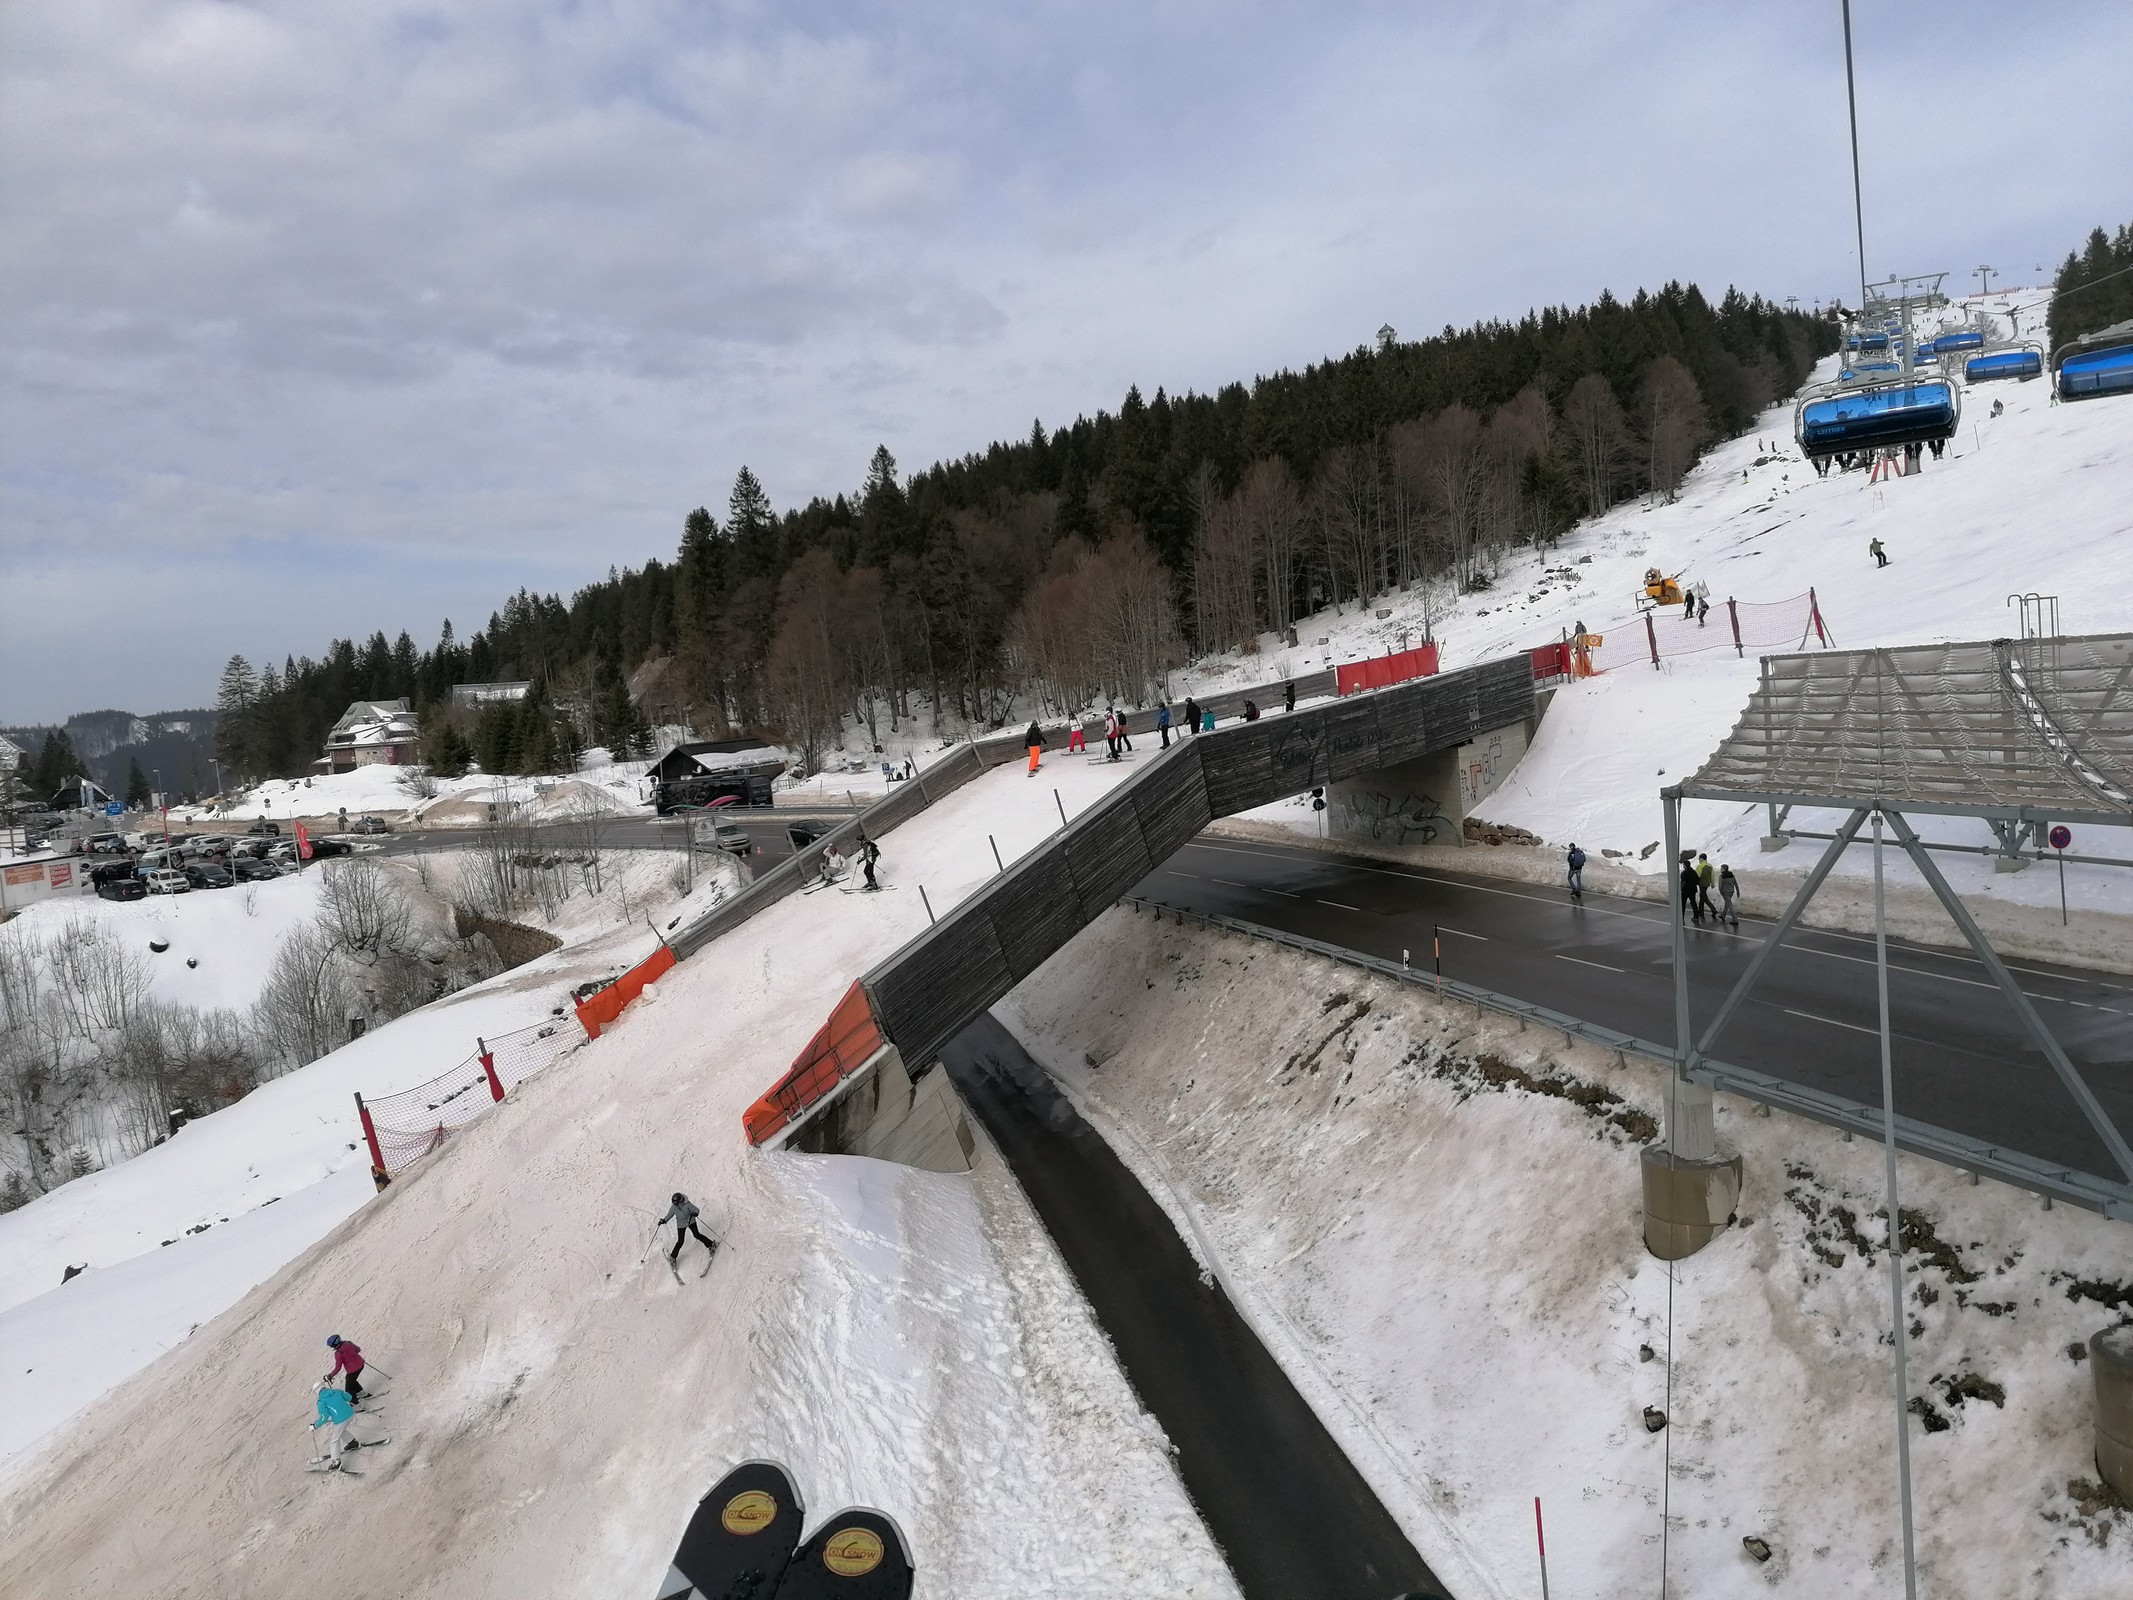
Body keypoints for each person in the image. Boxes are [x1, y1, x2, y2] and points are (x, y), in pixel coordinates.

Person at [660, 1191, 717, 1266]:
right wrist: (664, 1220)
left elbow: (696, 1209)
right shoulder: (674, 1207)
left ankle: (711, 1244)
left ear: (680, 1200)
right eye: (674, 1203)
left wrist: (695, 1213)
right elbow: (669, 1214)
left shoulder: (687, 1204)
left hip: (691, 1221)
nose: (675, 1205)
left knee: (697, 1235)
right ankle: (673, 1257)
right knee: (680, 1241)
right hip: (681, 1224)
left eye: (676, 1203)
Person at [322, 1334, 367, 1406]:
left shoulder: (338, 1353)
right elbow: (358, 1349)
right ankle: (361, 1393)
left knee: (349, 1389)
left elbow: (338, 1368)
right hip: (361, 1364)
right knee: (351, 1380)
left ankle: (355, 1404)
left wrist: (330, 1376)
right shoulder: (348, 1343)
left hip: (353, 1370)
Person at [1679, 855, 1702, 924]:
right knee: (1693, 903)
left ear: (1685, 866)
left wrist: (1681, 888)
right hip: (1693, 890)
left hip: (1685, 891)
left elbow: (1683, 882)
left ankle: (1681, 917)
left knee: (1683, 904)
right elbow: (1697, 880)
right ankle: (1696, 916)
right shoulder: (1693, 872)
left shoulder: (1684, 873)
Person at [1695, 853, 1717, 918]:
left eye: (1699, 858)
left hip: (1701, 883)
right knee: (1702, 896)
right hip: (1707, 883)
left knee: (1704, 897)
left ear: (1701, 858)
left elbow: (1697, 875)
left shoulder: (1700, 866)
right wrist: (1712, 884)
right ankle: (1700, 911)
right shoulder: (1710, 866)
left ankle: (1713, 910)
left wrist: (1695, 882)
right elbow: (1712, 876)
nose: (1698, 860)